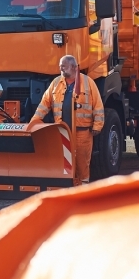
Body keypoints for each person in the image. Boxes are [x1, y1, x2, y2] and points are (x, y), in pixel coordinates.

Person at [30, 55, 104, 184]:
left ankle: (83, 189)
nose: (61, 68)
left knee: (82, 163)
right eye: (60, 66)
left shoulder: (88, 82)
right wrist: (34, 123)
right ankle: (67, 189)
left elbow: (98, 106)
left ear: (74, 67)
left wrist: (98, 126)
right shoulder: (56, 83)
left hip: (82, 132)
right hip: (62, 132)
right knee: (64, 163)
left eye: (64, 66)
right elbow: (44, 104)